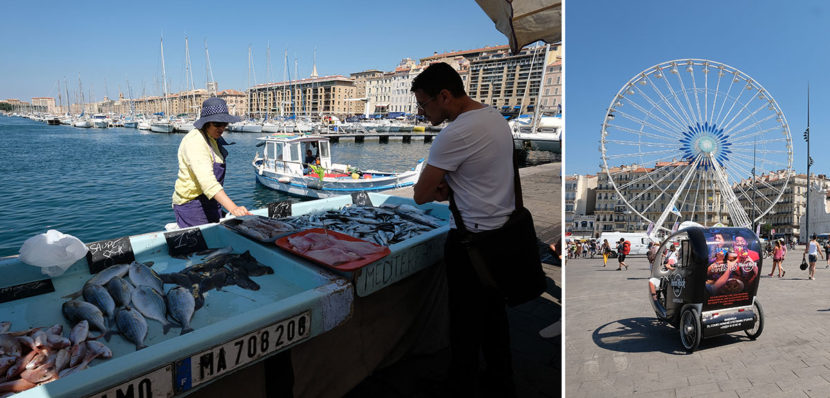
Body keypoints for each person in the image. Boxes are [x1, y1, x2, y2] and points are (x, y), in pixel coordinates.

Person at [411, 62, 517, 396]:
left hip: (470, 242)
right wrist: (453, 186)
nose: (421, 112)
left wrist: (441, 187)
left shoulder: (454, 133)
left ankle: (461, 385)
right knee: (494, 321)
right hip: (503, 235)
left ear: (444, 96)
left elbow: (420, 195)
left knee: (464, 323)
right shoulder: (495, 118)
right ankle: (500, 382)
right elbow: (485, 175)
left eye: (423, 104)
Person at [172, 97, 252, 227]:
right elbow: (208, 182)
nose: (222, 128)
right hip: (191, 204)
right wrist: (233, 208)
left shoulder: (213, 137)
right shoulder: (195, 142)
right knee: (203, 246)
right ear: (206, 123)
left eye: (225, 124)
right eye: (217, 124)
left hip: (210, 201)